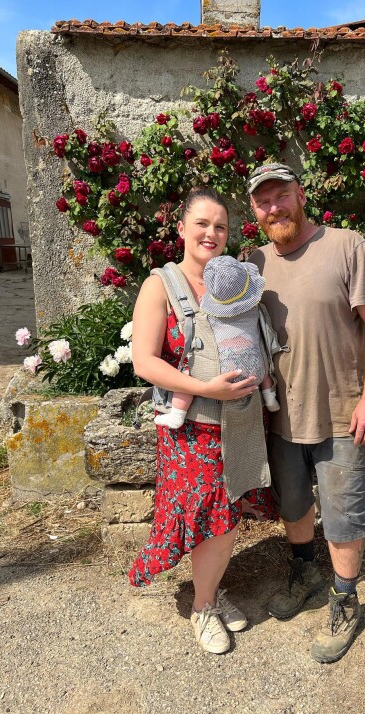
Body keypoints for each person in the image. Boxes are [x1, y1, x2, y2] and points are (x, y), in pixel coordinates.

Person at [248, 163, 365, 664]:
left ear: (300, 194)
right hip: (279, 417)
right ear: (254, 210)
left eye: (281, 196)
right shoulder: (252, 262)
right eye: (263, 201)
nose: (274, 208)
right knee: (293, 505)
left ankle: (345, 599)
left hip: (340, 413)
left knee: (344, 516)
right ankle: (305, 571)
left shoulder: (346, 245)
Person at [128, 187, 277, 655]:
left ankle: (209, 592)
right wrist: (205, 389)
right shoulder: (161, 285)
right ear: (181, 230)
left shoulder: (234, 286)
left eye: (221, 227)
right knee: (209, 515)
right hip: (189, 428)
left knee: (226, 513)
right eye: (202, 225)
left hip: (239, 421)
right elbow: (144, 362)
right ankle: (203, 608)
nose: (212, 234)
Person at [155, 256, 280, 429]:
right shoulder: (253, 308)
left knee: (187, 372)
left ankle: (177, 414)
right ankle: (270, 397)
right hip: (255, 372)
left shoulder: (207, 312)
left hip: (220, 371)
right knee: (262, 363)